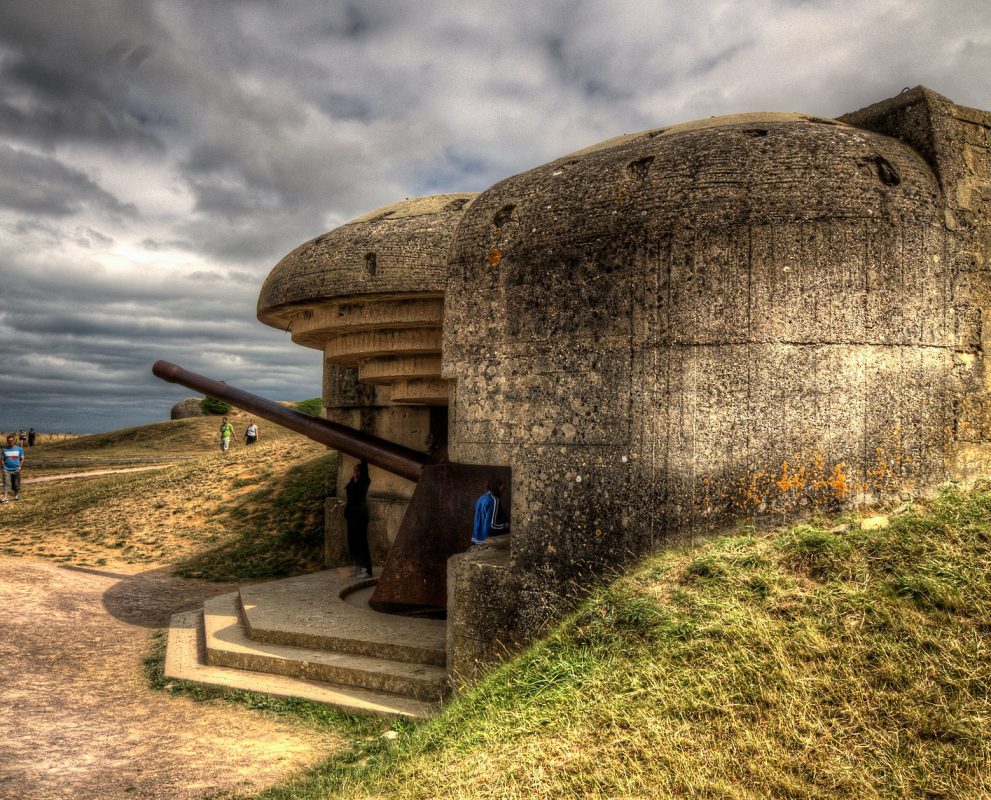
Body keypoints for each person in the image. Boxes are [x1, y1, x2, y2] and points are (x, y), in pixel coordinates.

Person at [343, 461, 372, 578]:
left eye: (357, 470)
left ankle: (366, 570)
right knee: (352, 542)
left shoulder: (364, 482)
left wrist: (363, 463)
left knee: (361, 542)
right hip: (351, 515)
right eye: (354, 470)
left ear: (362, 472)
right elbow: (350, 495)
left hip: (360, 515)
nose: (354, 472)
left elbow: (357, 494)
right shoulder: (352, 481)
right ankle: (356, 568)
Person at [471, 477, 510, 544]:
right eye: (502, 486)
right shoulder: (494, 500)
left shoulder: (481, 498)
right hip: (485, 542)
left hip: (475, 540)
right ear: (497, 486)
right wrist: (506, 526)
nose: (504, 489)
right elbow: (491, 526)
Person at [2, 434, 26, 503]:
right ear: (7, 441)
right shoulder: (4, 450)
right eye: (9, 441)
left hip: (16, 469)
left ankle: (16, 495)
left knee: (16, 483)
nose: (10, 442)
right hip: (6, 469)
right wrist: (3, 466)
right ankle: (5, 498)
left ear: (14, 440)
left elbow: (22, 458)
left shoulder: (19, 449)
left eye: (12, 440)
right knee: (6, 483)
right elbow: (2, 459)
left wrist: (20, 466)